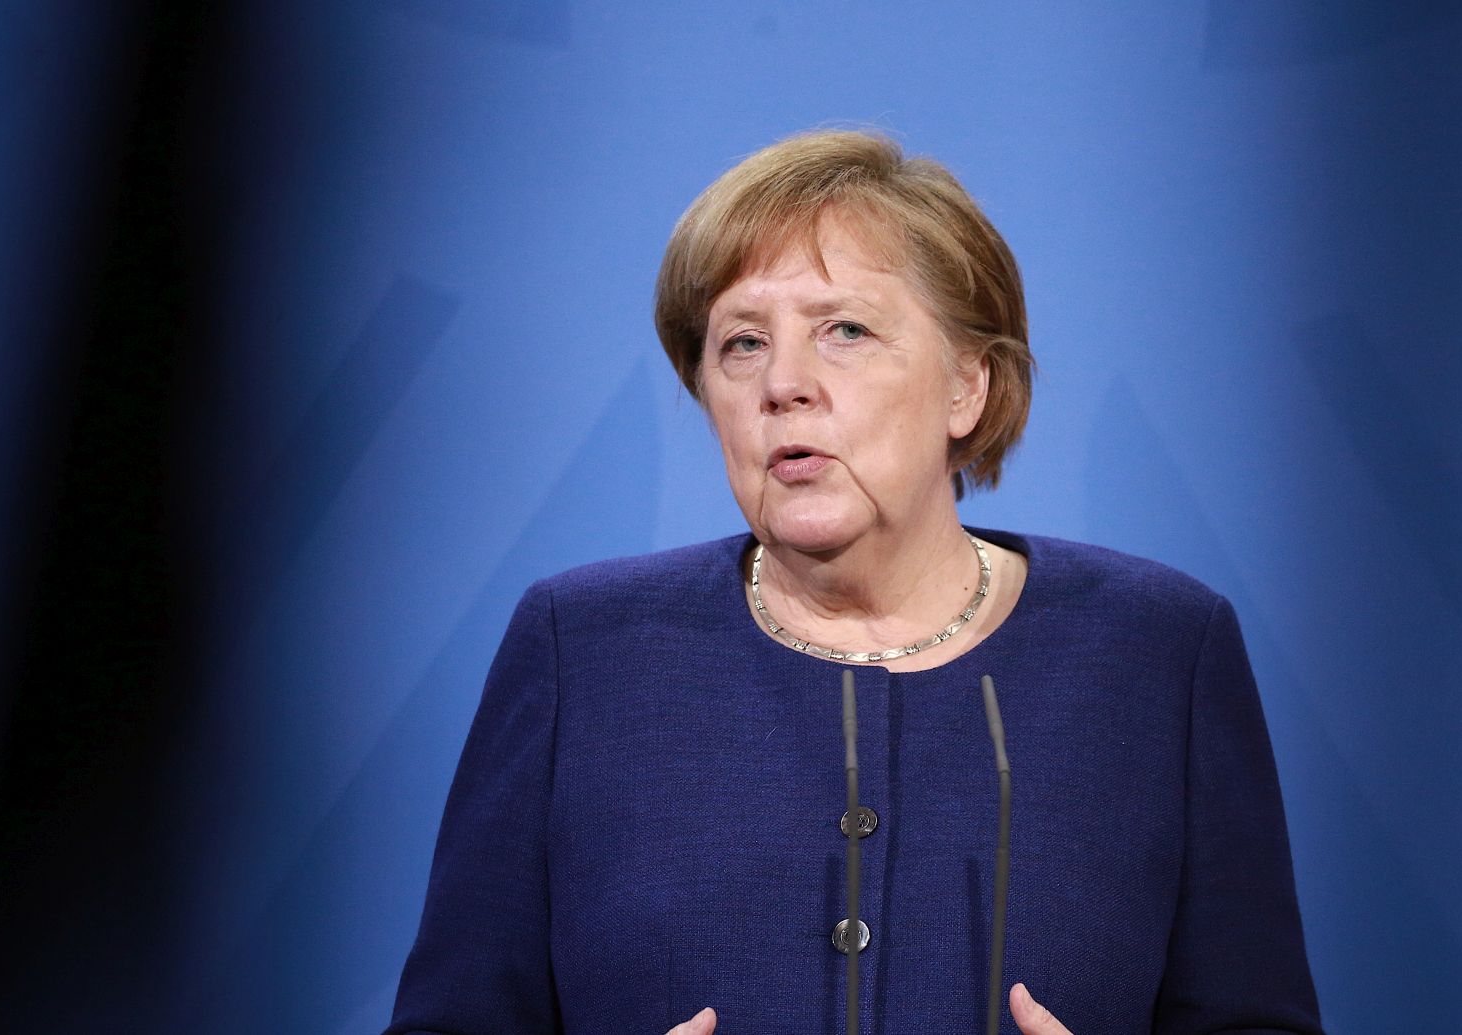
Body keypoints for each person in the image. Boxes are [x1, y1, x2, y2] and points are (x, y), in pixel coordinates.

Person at [385, 130, 1323, 1035]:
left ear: (969, 387)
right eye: (741, 343)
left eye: (845, 330)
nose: (784, 383)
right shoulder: (580, 650)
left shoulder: (1159, 649)